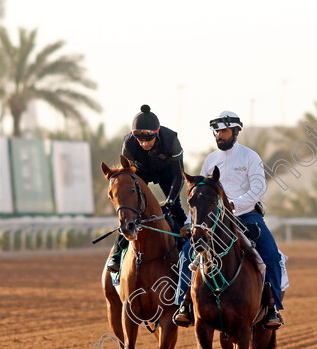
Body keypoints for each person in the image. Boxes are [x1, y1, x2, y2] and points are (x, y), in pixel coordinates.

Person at [174, 110, 286, 329]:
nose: (219, 135)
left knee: (271, 255)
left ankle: (273, 308)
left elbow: (258, 188)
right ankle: (184, 305)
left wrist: (233, 205)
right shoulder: (211, 160)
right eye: (216, 132)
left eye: (224, 131)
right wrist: (189, 223)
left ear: (236, 132)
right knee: (187, 252)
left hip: (246, 215)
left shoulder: (250, 156)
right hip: (213, 220)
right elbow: (198, 196)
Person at [106, 104, 187, 272]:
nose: (143, 143)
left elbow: (179, 176)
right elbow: (127, 174)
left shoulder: (171, 139)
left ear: (157, 133)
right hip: (140, 171)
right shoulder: (129, 143)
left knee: (176, 208)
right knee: (130, 213)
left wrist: (170, 202)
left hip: (167, 172)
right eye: (139, 139)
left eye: (148, 139)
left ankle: (187, 246)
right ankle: (117, 253)